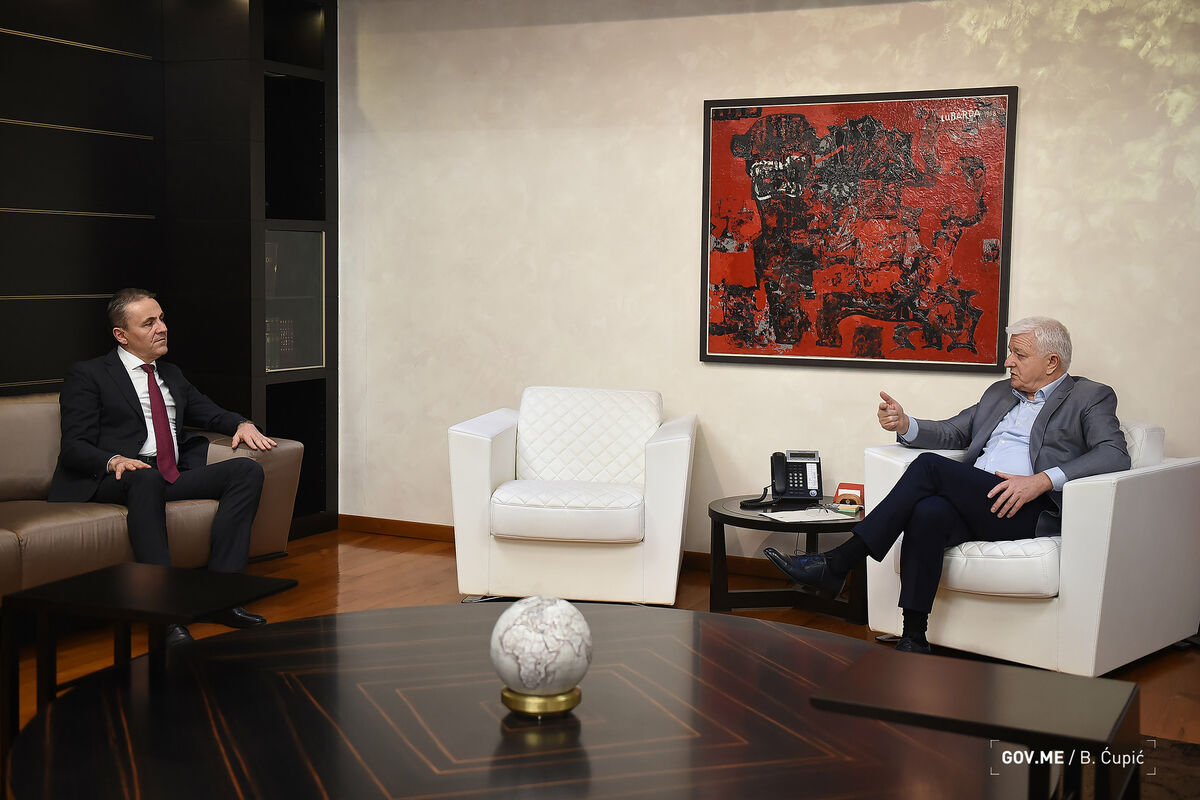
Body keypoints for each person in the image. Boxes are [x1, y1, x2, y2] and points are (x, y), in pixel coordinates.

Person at [765, 316, 1130, 653]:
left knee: (928, 467)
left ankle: (839, 561)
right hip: (978, 501)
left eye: (1019, 355)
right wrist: (905, 424)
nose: (1008, 362)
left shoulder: (1089, 396)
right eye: (1010, 353)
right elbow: (954, 431)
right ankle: (914, 636)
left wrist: (1041, 481)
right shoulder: (1000, 393)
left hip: (1026, 508)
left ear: (1052, 362)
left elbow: (1114, 453)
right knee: (929, 511)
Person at [49, 288, 277, 646]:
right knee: (145, 478)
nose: (162, 328)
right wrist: (114, 460)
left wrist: (241, 423)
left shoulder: (171, 374)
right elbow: (74, 446)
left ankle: (224, 596)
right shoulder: (89, 374)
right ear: (121, 335)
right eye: (149, 323)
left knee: (245, 471)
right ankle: (165, 615)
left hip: (167, 473)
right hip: (115, 476)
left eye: (162, 319)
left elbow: (210, 412)